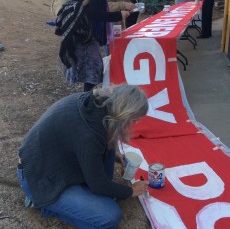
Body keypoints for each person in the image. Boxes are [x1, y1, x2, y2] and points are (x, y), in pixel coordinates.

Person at [17, 84, 149, 229]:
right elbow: (98, 185)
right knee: (110, 216)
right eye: (134, 120)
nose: (135, 124)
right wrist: (131, 191)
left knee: (110, 151)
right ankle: (42, 202)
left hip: (53, 160)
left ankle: (80, 196)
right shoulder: (90, 134)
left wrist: (113, 152)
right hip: (40, 178)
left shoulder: (96, 103)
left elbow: (93, 142)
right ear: (123, 116)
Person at [66, 0, 130, 92]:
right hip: (87, 33)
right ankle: (87, 104)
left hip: (77, 30)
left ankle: (86, 100)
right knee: (93, 72)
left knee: (90, 72)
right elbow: (95, 13)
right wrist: (119, 15)